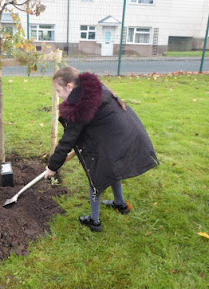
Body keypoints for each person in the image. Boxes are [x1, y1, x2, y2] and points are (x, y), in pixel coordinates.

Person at [44, 66, 159, 232]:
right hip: (125, 136)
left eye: (58, 90)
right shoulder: (92, 89)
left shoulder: (80, 105)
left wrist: (52, 167)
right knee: (112, 169)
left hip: (118, 140)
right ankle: (120, 204)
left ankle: (94, 221)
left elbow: (68, 139)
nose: (58, 95)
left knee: (96, 177)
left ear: (70, 86)